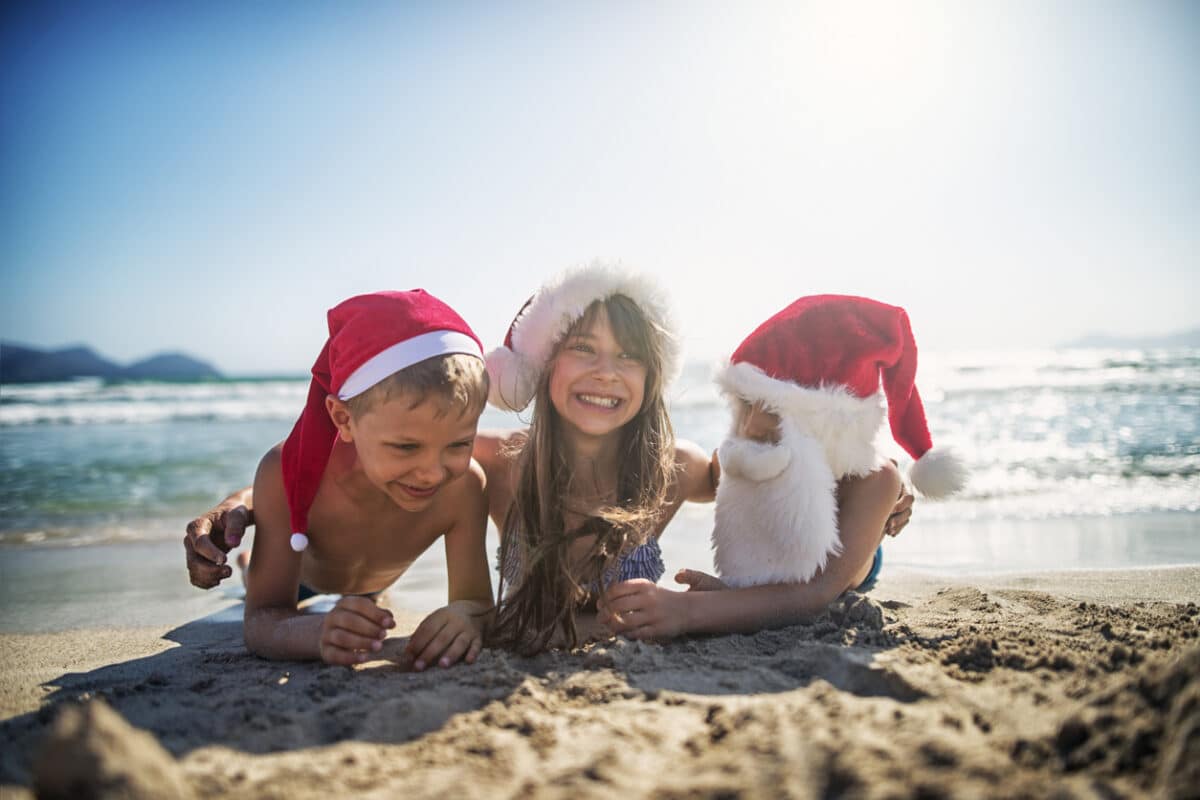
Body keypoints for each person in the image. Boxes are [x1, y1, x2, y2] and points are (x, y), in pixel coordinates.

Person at [185, 266, 916, 651]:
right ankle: (249, 569)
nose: (606, 372)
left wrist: (877, 482)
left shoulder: (673, 469)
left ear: (652, 377)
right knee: (267, 577)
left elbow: (771, 456)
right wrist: (242, 507)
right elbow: (359, 455)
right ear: (541, 367)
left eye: (629, 358)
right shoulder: (498, 463)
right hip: (314, 572)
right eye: (584, 350)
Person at [597, 295, 964, 640]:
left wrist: (686, 609)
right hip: (778, 558)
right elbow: (705, 475)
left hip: (841, 564)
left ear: (827, 420)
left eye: (773, 408)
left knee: (881, 481)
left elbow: (815, 594)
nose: (753, 424)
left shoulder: (874, 482)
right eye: (746, 403)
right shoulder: (747, 452)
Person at [236, 289, 494, 668]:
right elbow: (262, 619)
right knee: (257, 573)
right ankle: (248, 563)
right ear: (343, 419)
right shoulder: (284, 474)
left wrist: (466, 619)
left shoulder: (465, 487)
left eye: (459, 444)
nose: (432, 473)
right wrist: (315, 631)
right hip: (303, 571)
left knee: (365, 602)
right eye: (406, 447)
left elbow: (476, 603)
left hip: (375, 580)